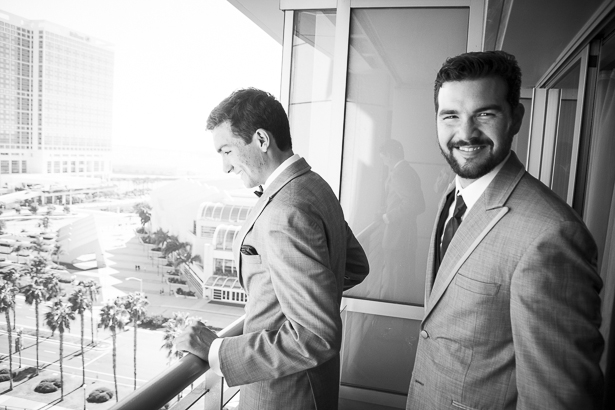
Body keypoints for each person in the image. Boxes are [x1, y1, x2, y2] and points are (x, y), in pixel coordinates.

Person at [407, 51, 604, 410]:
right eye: (450, 115)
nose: (465, 133)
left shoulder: (550, 235)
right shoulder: (452, 196)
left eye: (485, 113)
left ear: (516, 118)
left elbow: (558, 400)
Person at [176, 88, 369, 410]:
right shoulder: (314, 185)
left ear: (262, 140)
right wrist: (297, 297)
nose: (225, 167)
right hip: (310, 385)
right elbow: (354, 266)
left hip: (285, 392)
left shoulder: (285, 211)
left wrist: (215, 350)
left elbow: (315, 336)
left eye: (227, 151)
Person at [378, 139, 425, 302]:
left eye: (383, 158)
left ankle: (389, 318)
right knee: (401, 278)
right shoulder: (409, 170)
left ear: (390, 155)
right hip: (406, 235)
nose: (384, 163)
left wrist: (388, 216)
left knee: (394, 280)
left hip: (397, 236)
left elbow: (415, 204)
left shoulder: (399, 173)